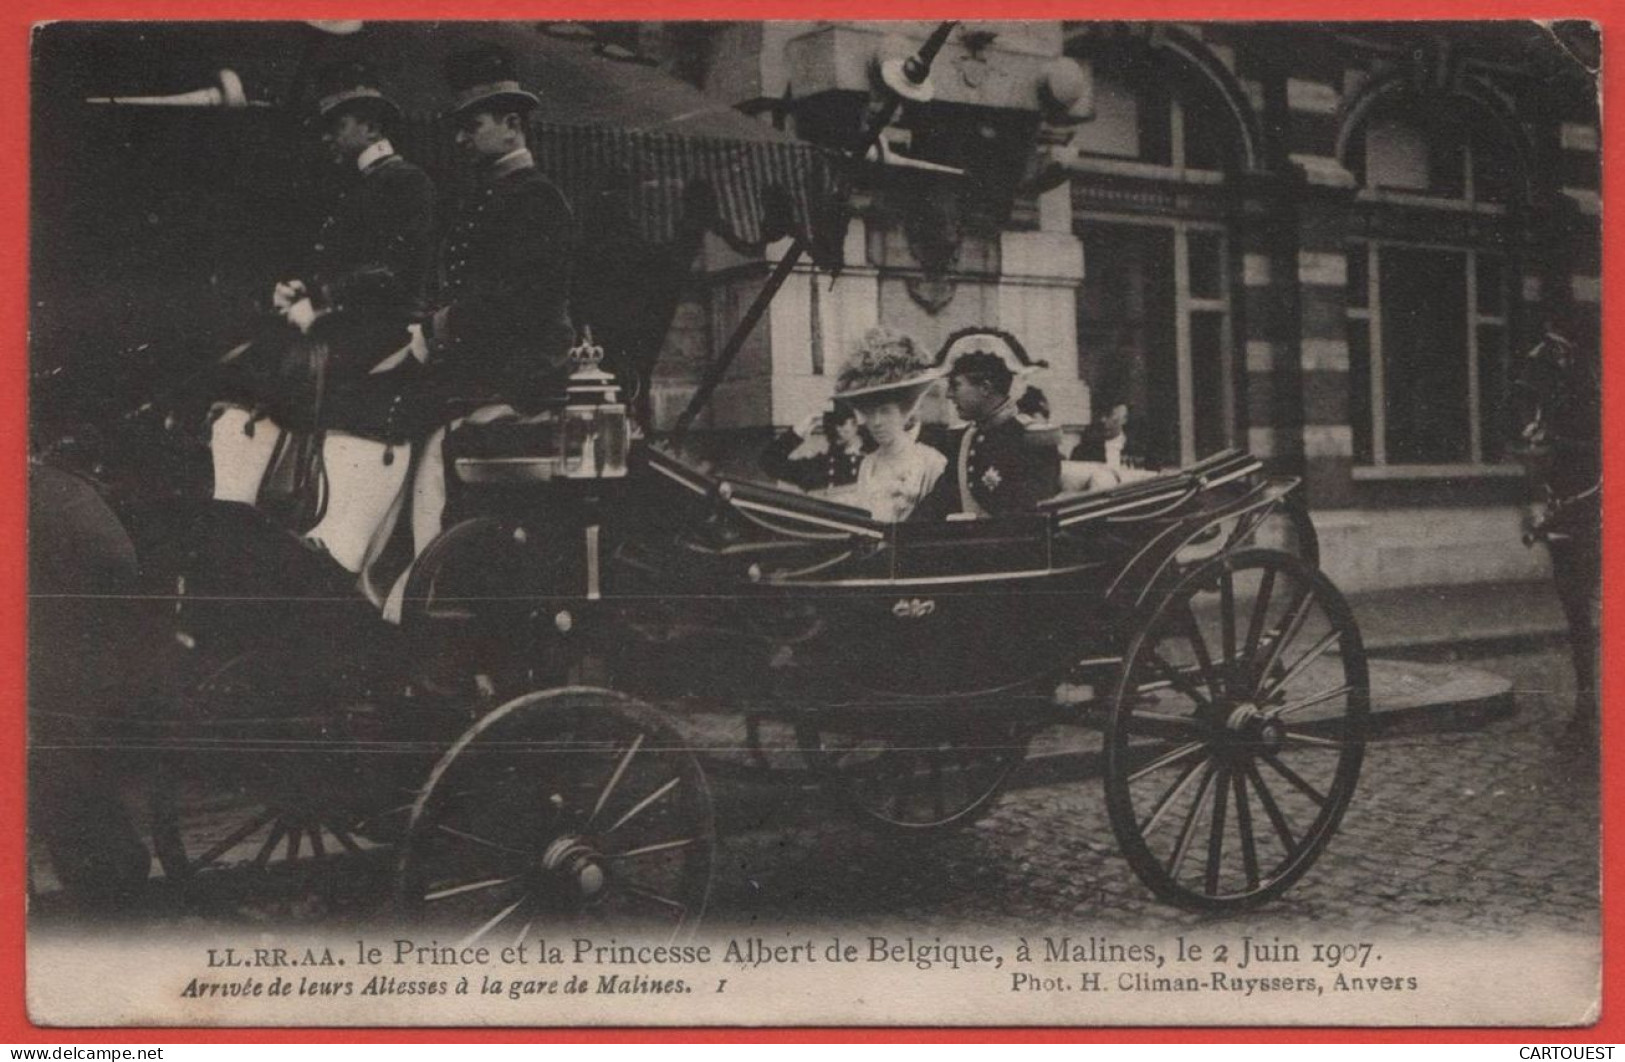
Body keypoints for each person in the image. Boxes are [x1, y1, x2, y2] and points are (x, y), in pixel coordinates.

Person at [208, 60, 435, 577]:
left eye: (338, 124)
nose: (329, 137)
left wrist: (324, 298)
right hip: (344, 326)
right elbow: (345, 263)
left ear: (372, 126)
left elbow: (393, 272)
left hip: (382, 334)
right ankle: (242, 509)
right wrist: (300, 289)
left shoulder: (407, 183)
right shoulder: (357, 184)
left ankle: (334, 537)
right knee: (252, 364)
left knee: (303, 378)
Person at [385, 42, 580, 620]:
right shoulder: (487, 199)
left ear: (513, 125)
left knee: (467, 520)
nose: (461, 138)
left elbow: (518, 302)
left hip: (518, 388)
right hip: (472, 385)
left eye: (473, 125)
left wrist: (437, 329)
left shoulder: (537, 200)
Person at [917, 350, 1060, 519]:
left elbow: (1031, 517)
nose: (949, 395)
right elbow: (938, 502)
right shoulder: (965, 439)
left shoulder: (1031, 439)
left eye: (955, 385)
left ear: (985, 387)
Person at [832, 329, 947, 524]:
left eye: (885, 411)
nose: (876, 421)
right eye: (869, 412)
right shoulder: (868, 464)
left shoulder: (931, 462)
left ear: (904, 412)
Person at [758, 403, 870, 493]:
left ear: (856, 427)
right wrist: (799, 430)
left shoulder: (871, 462)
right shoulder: (818, 467)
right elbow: (768, 462)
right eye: (832, 426)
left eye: (843, 424)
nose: (838, 430)